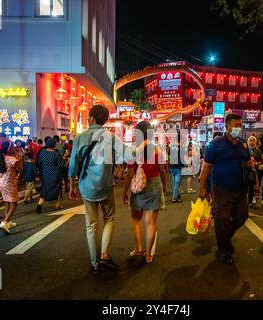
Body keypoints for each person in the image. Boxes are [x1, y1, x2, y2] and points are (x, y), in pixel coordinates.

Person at [198, 113, 260, 264]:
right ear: (227, 127)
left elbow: (248, 164)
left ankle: (225, 237)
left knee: (242, 216)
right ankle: (224, 250)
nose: (239, 129)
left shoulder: (242, 144)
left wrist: (257, 182)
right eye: (236, 126)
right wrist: (202, 189)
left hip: (240, 188)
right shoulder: (215, 144)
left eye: (240, 126)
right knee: (222, 219)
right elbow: (206, 168)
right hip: (221, 189)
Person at [68, 105, 121, 275]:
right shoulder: (111, 137)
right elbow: (125, 155)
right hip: (106, 186)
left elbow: (73, 165)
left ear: (91, 118)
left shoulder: (79, 137)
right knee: (109, 218)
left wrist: (71, 186)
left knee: (91, 225)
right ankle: (105, 255)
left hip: (86, 186)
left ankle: (95, 264)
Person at [122, 121, 166, 264]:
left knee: (135, 219)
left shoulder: (132, 150)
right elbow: (162, 170)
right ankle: (148, 255)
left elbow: (129, 174)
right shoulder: (157, 149)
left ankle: (138, 248)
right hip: (154, 183)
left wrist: (125, 191)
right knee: (151, 222)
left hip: (139, 185)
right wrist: (164, 186)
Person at [0, 141, 22, 234]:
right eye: (12, 147)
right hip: (10, 183)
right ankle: (4, 223)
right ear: (9, 149)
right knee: (14, 204)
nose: (14, 148)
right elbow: (20, 169)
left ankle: (8, 221)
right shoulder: (12, 159)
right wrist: (18, 157)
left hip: (1, 184)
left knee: (7, 202)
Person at [36, 139, 63, 213]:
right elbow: (60, 164)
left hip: (45, 173)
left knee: (45, 188)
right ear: (54, 145)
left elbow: (39, 162)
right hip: (55, 173)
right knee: (56, 188)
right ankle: (57, 205)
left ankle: (40, 203)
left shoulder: (42, 152)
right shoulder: (56, 153)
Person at [247, 135, 263, 208]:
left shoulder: (258, 151)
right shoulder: (245, 149)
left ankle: (250, 201)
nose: (252, 142)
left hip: (255, 171)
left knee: (252, 186)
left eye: (253, 140)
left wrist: (256, 163)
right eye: (250, 140)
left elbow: (261, 161)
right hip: (246, 170)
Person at [169, 133, 185, 203]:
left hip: (172, 166)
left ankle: (177, 196)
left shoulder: (171, 147)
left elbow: (169, 155)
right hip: (178, 167)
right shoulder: (182, 148)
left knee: (175, 183)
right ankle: (174, 198)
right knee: (177, 183)